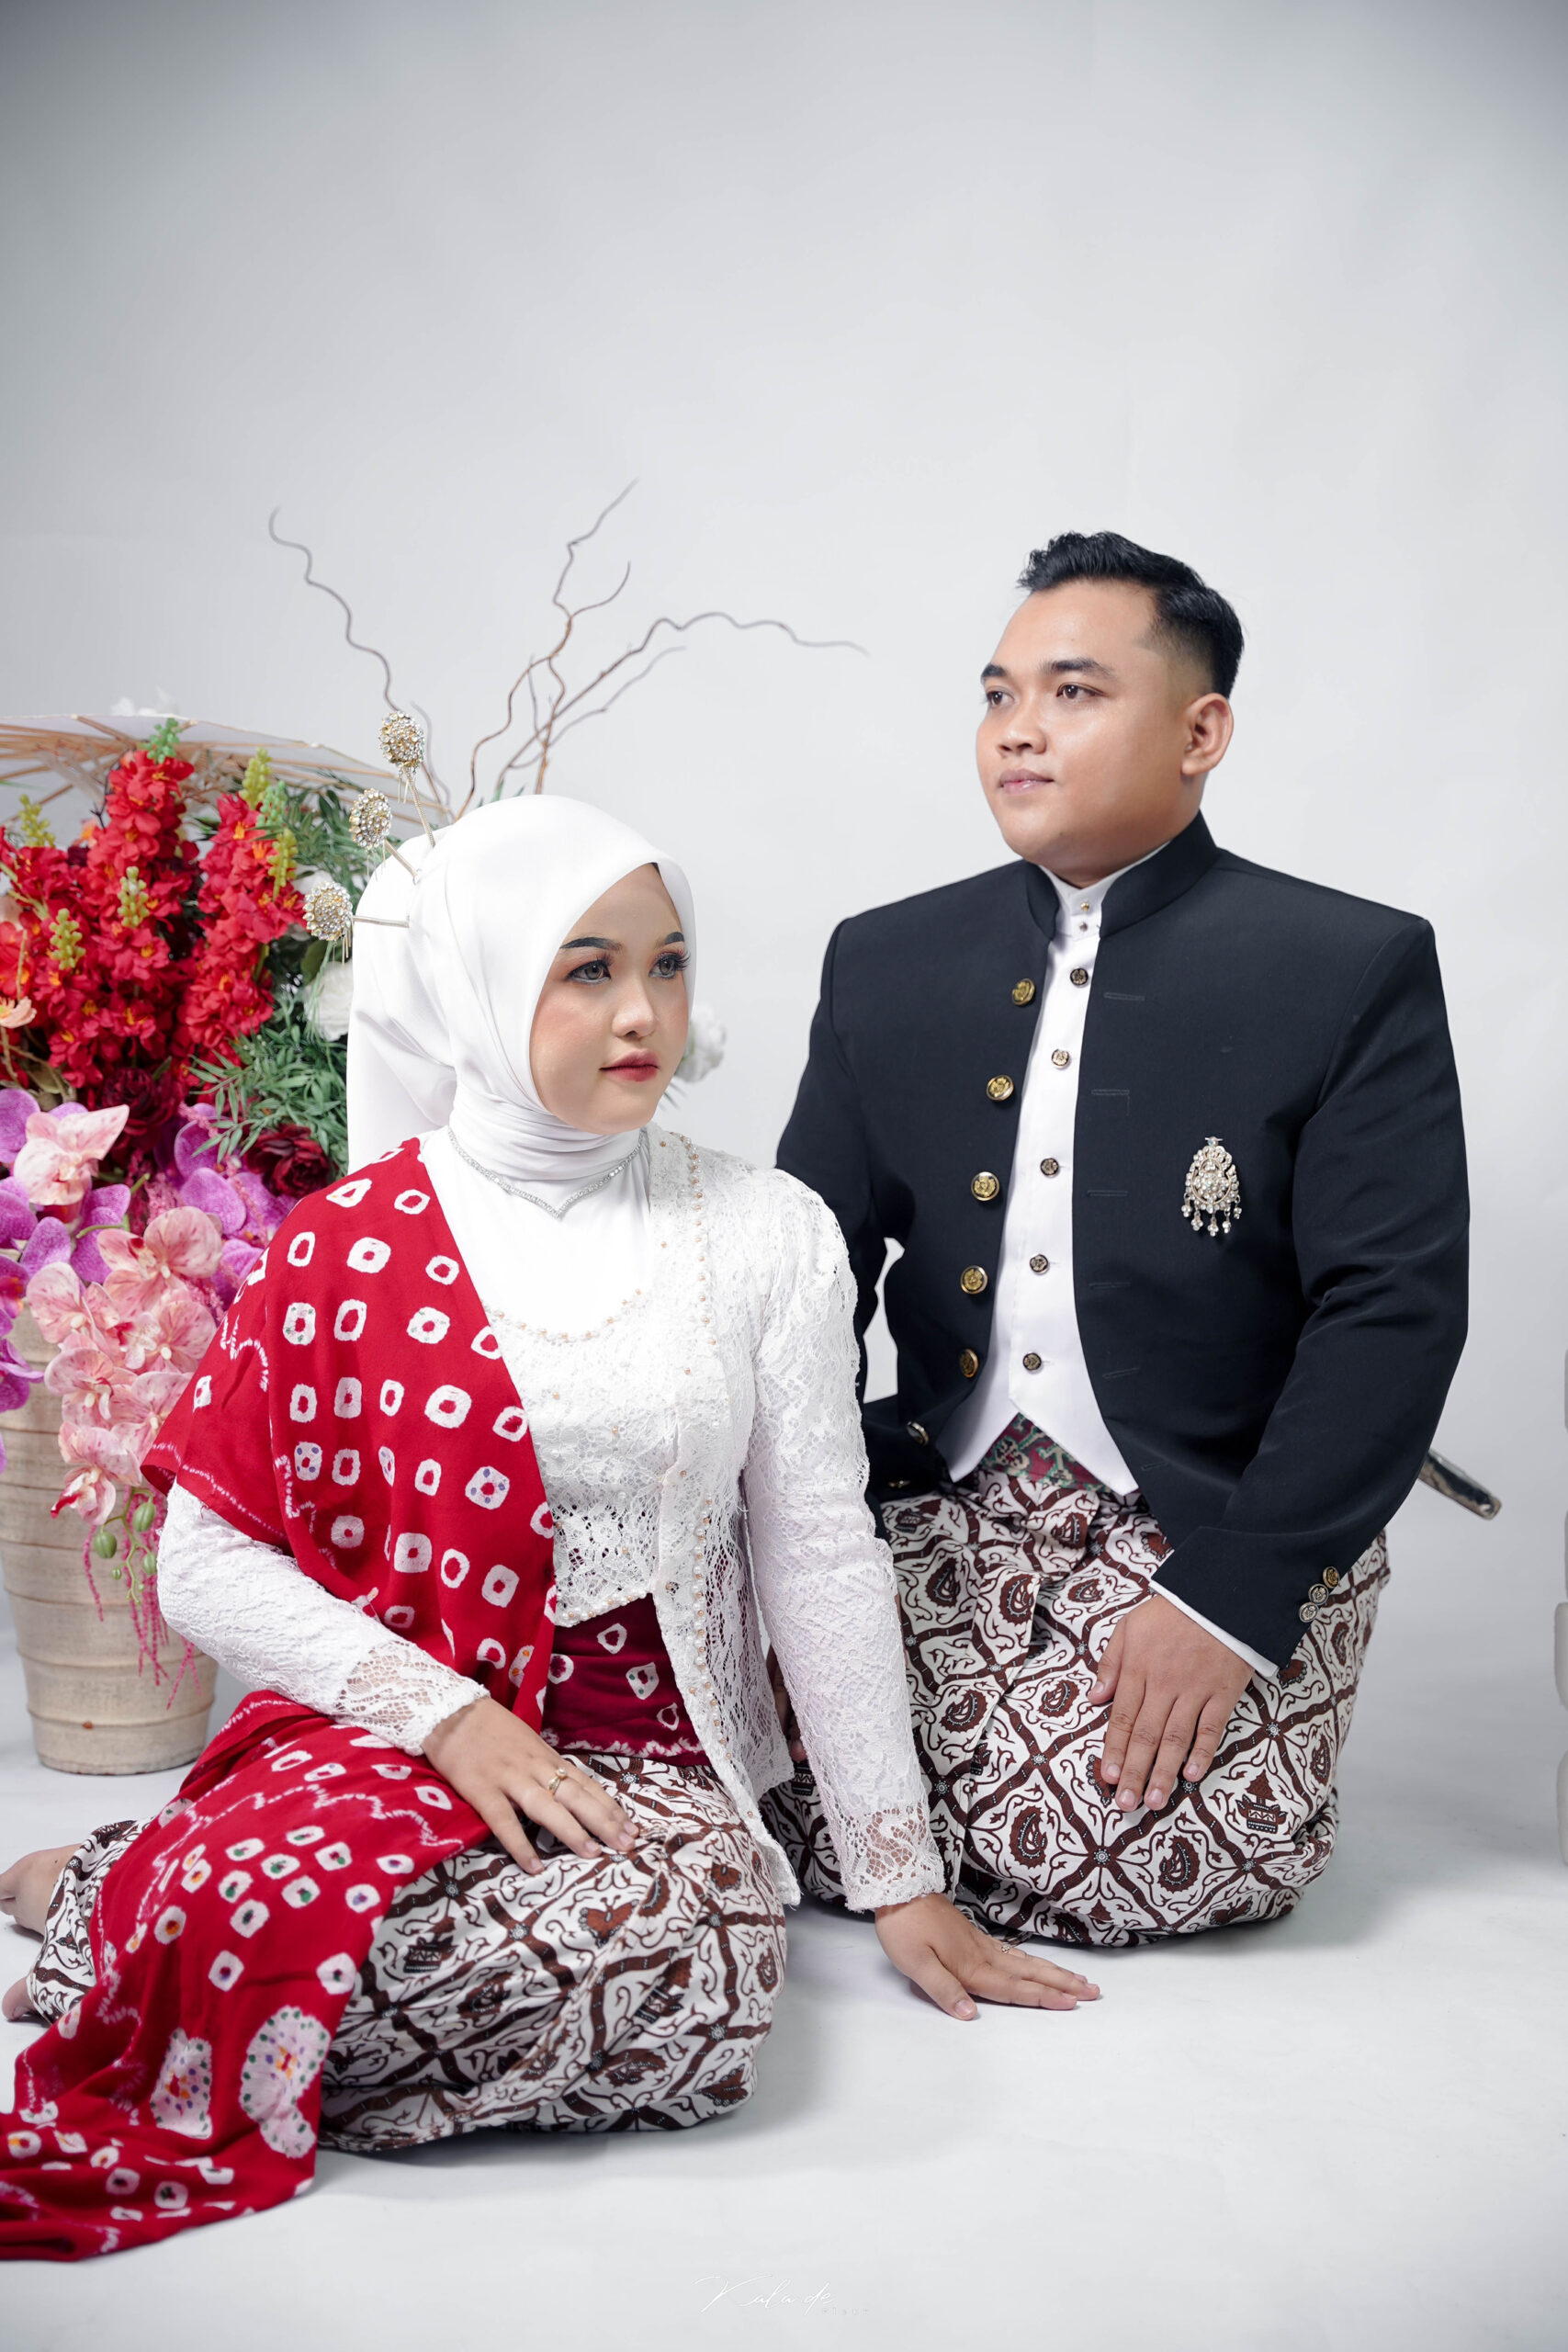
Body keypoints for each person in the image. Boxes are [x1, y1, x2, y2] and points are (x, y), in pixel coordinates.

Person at [0, 795, 1097, 2262]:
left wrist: (901, 1883)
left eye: (668, 964)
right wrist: (448, 1719)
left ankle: (144, 1932)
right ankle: (153, 1919)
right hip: (393, 1729)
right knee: (362, 1917)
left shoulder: (766, 1231)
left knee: (696, 1978)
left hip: (653, 1761)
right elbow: (204, 1563)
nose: (644, 1013)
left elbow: (817, 1552)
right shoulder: (346, 1245)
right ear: (477, 986)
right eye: (588, 970)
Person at [768, 530, 1468, 1944]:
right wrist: (793, 1530)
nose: (1018, 729)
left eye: (1074, 692)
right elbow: (801, 1277)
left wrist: (1235, 1598)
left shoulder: (1350, 963)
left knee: (1147, 1852)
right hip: (941, 1496)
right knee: (740, 1770)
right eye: (998, 694)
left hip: (1211, 1515)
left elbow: (1390, 1309)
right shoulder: (884, 958)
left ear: (1202, 733)